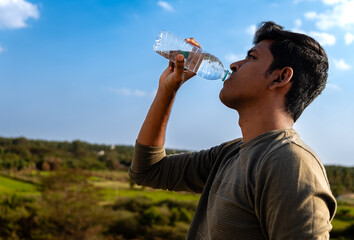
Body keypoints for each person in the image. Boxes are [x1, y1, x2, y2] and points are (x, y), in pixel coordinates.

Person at [129, 21, 337, 239]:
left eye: (252, 57)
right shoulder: (231, 153)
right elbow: (148, 171)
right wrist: (167, 89)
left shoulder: (291, 163)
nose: (235, 64)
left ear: (280, 77)